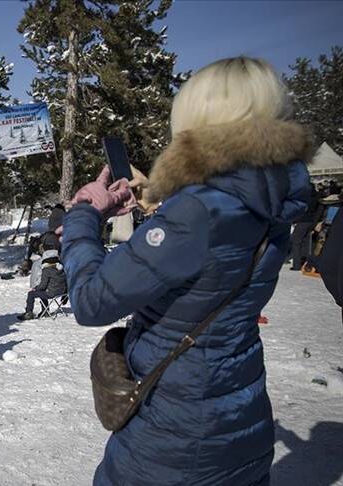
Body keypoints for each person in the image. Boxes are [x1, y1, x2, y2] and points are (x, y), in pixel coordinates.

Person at [60, 57, 312, 485]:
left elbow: (90, 300)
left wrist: (85, 215)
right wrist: (160, 204)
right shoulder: (274, 197)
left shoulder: (197, 214)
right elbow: (216, 259)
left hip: (175, 435)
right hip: (239, 416)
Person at [17, 251, 66, 321]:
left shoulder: (47, 270)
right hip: (61, 292)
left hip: (51, 293)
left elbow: (43, 285)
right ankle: (45, 311)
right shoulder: (61, 268)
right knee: (42, 291)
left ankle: (29, 313)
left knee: (31, 294)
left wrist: (35, 288)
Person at [289, 183, 323, 270]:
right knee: (307, 243)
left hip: (303, 221)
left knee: (295, 241)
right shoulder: (317, 198)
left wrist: (295, 220)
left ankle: (296, 265)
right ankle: (307, 262)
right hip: (311, 222)